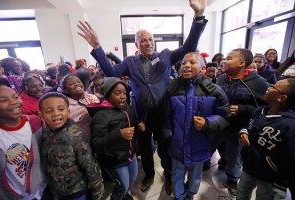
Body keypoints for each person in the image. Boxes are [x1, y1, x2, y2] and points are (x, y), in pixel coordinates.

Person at [77, 0, 208, 194]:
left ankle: (169, 176)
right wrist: (97, 47)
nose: (147, 43)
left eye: (150, 39)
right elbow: (110, 71)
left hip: (165, 113)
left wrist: (198, 17)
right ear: (136, 44)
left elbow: (190, 45)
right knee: (146, 149)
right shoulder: (130, 62)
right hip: (142, 116)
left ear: (154, 42)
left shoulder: (165, 56)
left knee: (165, 147)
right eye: (143, 40)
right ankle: (149, 175)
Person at [162, 52, 230, 200]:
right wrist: (168, 133)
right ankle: (179, 196)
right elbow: (166, 116)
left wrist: (207, 123)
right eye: (184, 62)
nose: (186, 65)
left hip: (200, 144)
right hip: (177, 144)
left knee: (195, 178)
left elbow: (224, 116)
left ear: (202, 67)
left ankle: (190, 195)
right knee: (177, 176)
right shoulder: (172, 89)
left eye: (192, 62)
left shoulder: (213, 90)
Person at [216, 48, 269, 198]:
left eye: (229, 58)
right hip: (219, 124)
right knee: (219, 149)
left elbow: (269, 106)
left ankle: (233, 180)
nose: (225, 60)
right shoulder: (221, 78)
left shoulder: (258, 82)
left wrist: (243, 108)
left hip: (238, 128)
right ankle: (220, 163)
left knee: (234, 157)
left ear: (241, 63)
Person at [39, 92, 104, 200]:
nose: (55, 114)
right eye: (49, 111)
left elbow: (90, 165)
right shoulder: (45, 133)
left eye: (61, 109)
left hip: (75, 192)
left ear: (68, 112)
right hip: (55, 191)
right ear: (41, 115)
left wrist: (97, 192)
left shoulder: (76, 135)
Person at [237, 78, 295, 200]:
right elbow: (249, 126)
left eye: (274, 87)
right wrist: (244, 131)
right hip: (249, 166)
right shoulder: (259, 111)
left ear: (282, 98)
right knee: (242, 191)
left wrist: (282, 183)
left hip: (269, 176)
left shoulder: (289, 125)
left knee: (263, 196)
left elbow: (290, 159)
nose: (268, 88)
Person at [0, 78, 46, 199]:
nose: (13, 102)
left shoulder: (35, 122)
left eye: (16, 97)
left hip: (42, 191)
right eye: (3, 100)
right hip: (10, 195)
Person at [88, 77, 138, 200]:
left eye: (124, 93)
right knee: (122, 186)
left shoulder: (125, 106)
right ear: (108, 94)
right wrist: (119, 134)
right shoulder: (100, 116)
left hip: (130, 153)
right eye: (117, 93)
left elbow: (130, 122)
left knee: (132, 178)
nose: (122, 96)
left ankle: (125, 195)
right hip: (115, 160)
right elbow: (96, 144)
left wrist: (138, 124)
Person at [60, 74, 100, 139]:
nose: (77, 84)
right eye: (71, 84)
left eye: (79, 82)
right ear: (65, 90)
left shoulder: (93, 97)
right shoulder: (65, 106)